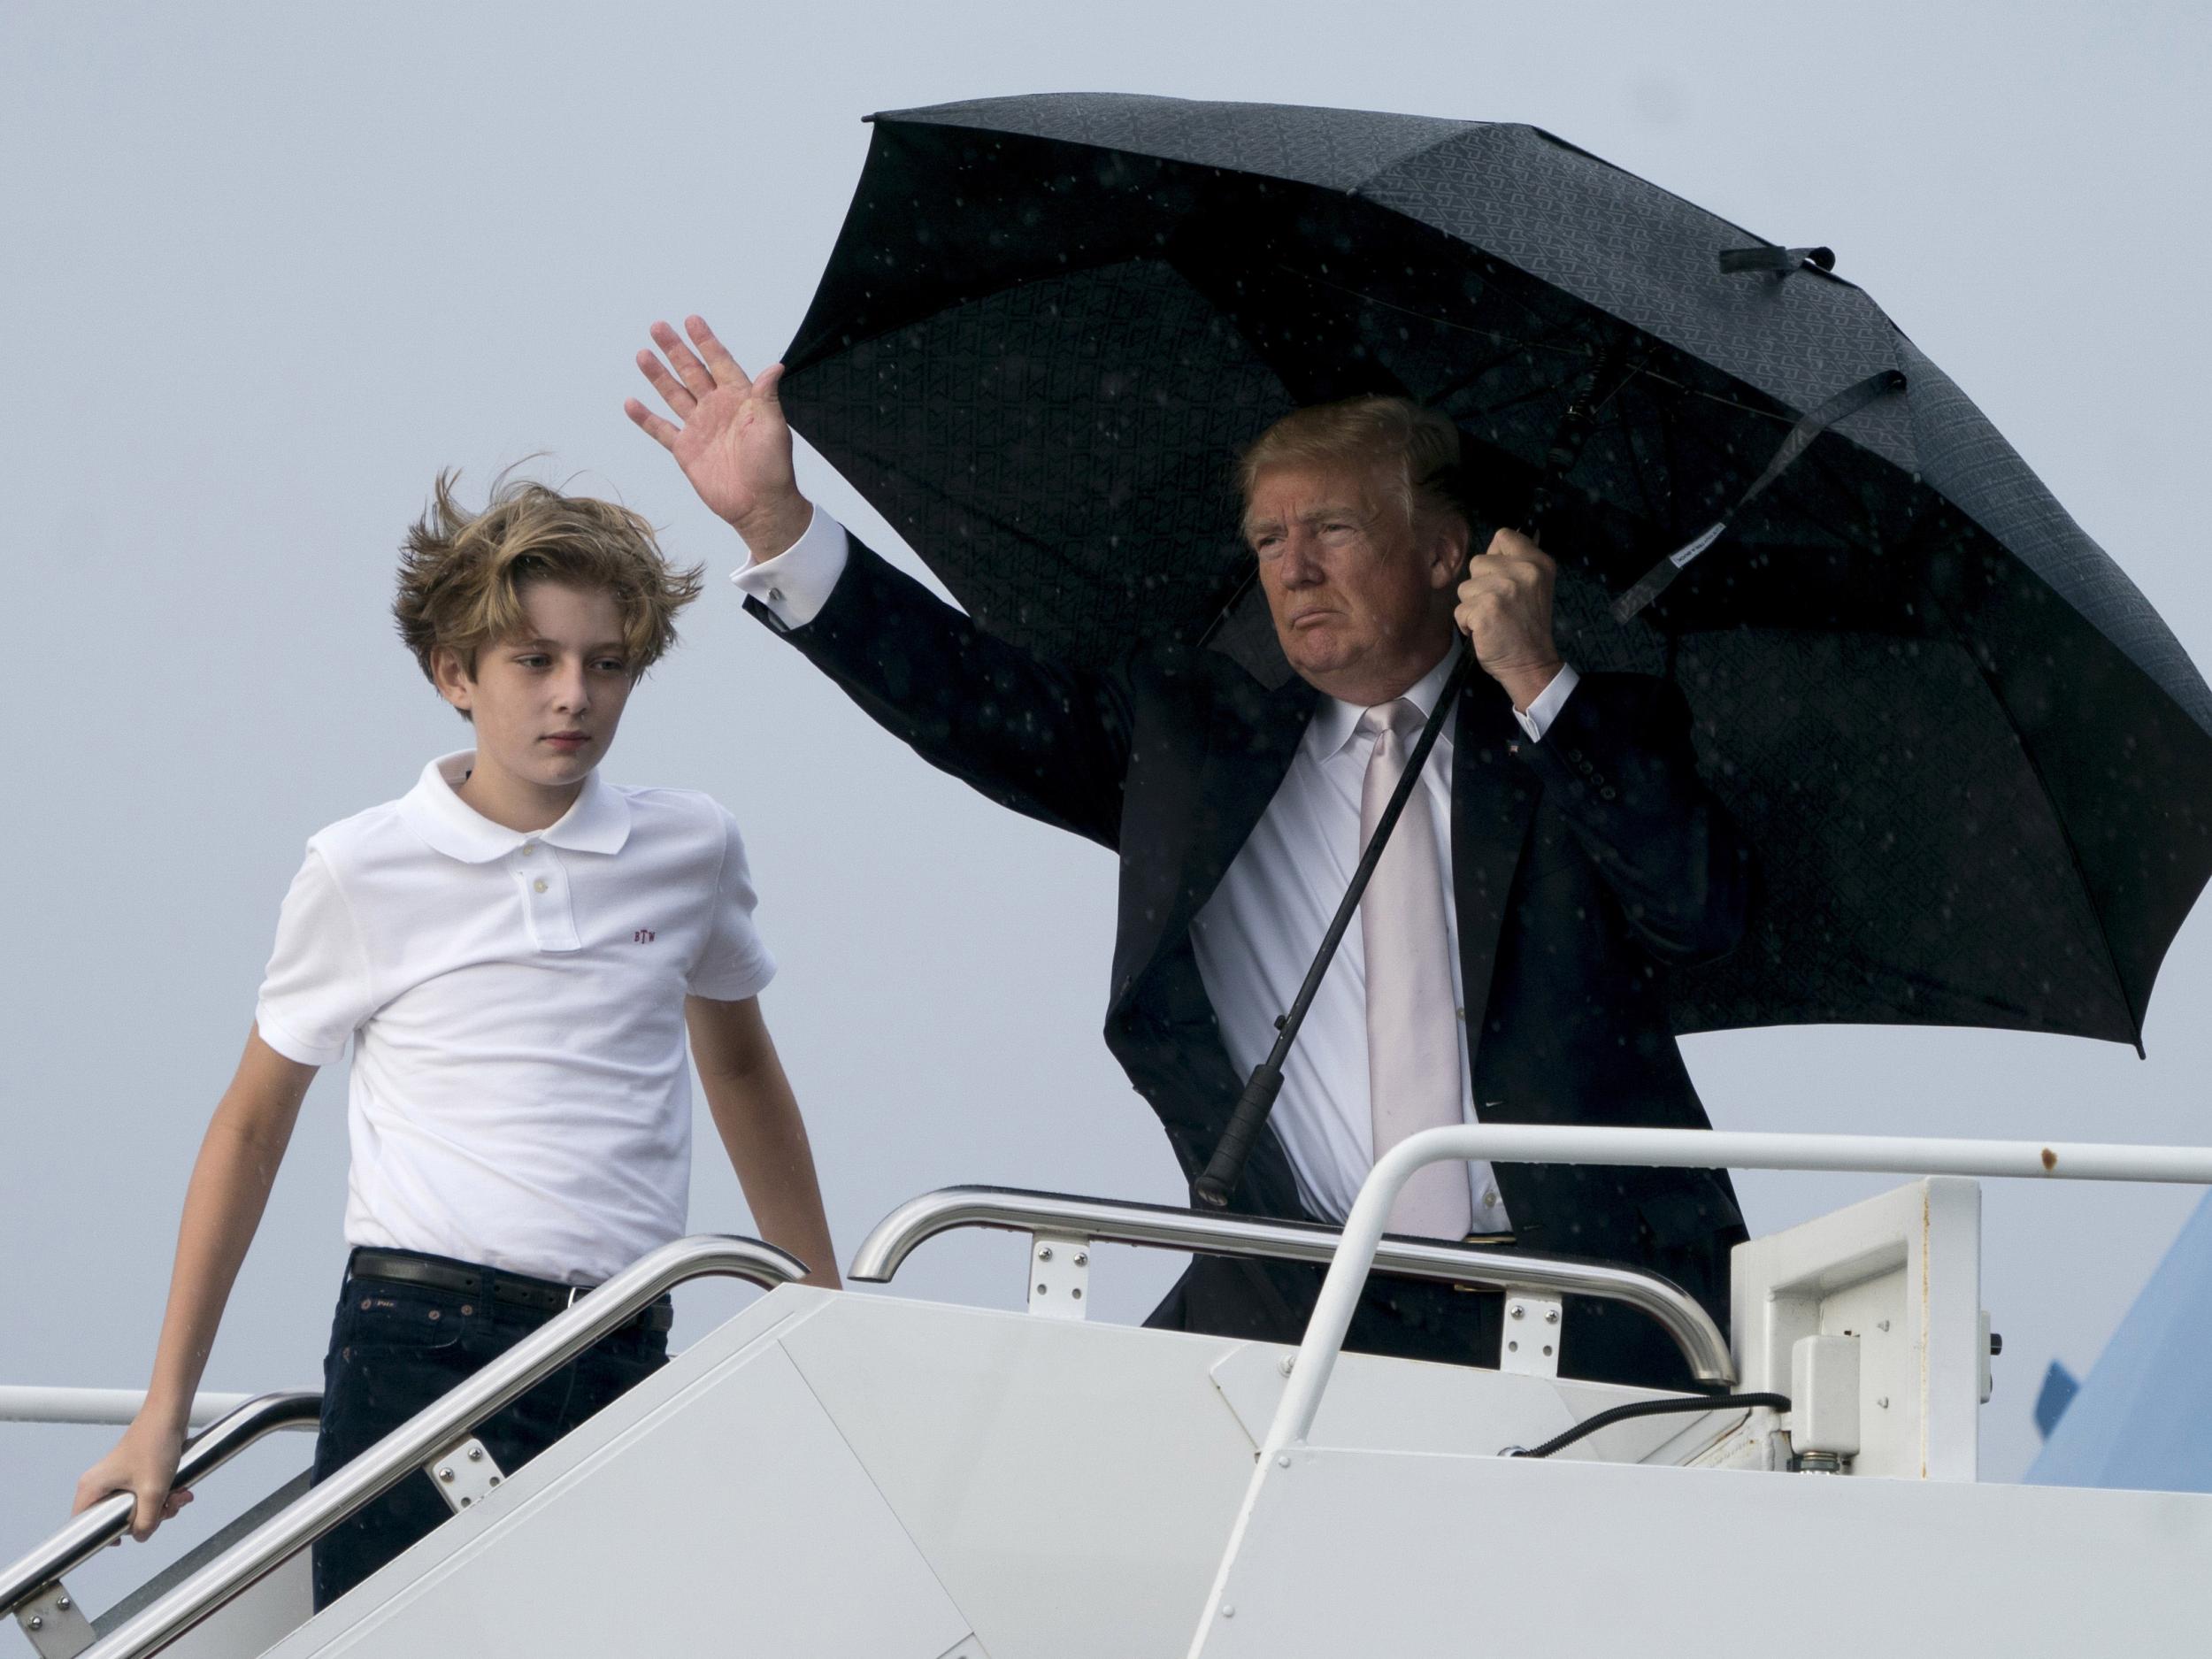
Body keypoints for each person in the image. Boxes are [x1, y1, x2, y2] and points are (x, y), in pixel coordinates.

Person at [627, 315, 1751, 1387]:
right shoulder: (1191, 743)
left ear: (1443, 552)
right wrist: (778, 527)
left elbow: (1698, 918)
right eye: (1270, 537)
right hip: (1303, 1308)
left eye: (1336, 530)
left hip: (1591, 1309)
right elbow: (966, 697)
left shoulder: (1585, 729)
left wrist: (1533, 679)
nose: (1295, 568)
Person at [73, 472, 839, 1609]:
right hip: (419, 1346)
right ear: (454, 675)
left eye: (606, 663)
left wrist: (822, 1308)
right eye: (535, 661)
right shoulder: (361, 866)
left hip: (627, 1341)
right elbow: (249, 1127)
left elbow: (739, 1068)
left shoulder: (691, 846)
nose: (572, 694)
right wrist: (163, 1409)